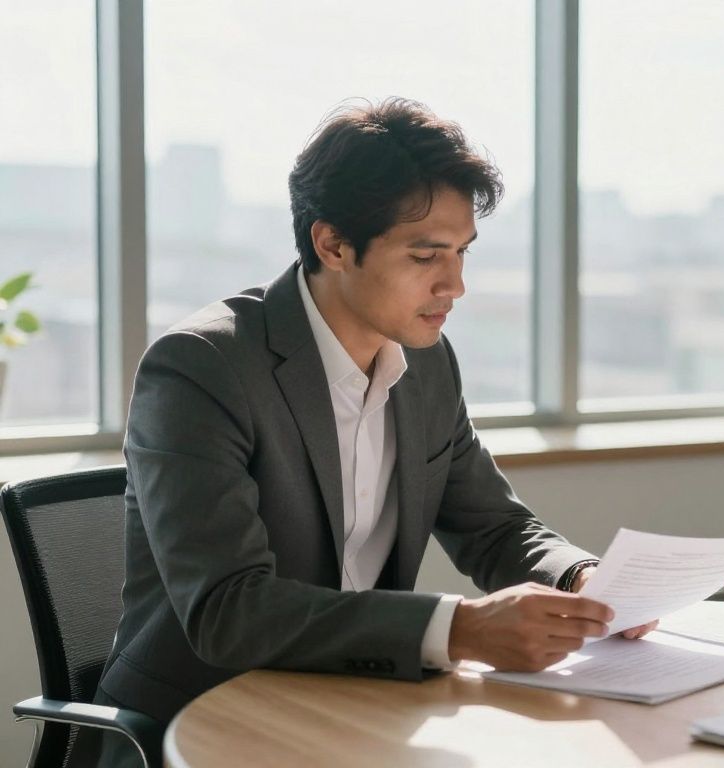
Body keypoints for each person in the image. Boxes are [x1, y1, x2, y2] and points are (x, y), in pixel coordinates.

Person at [94, 98, 652, 766]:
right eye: (426, 255)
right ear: (332, 244)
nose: (456, 285)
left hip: (359, 711)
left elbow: (494, 527)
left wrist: (580, 580)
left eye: (463, 253)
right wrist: (461, 628)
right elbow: (228, 610)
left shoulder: (425, 361)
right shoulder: (202, 368)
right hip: (204, 728)